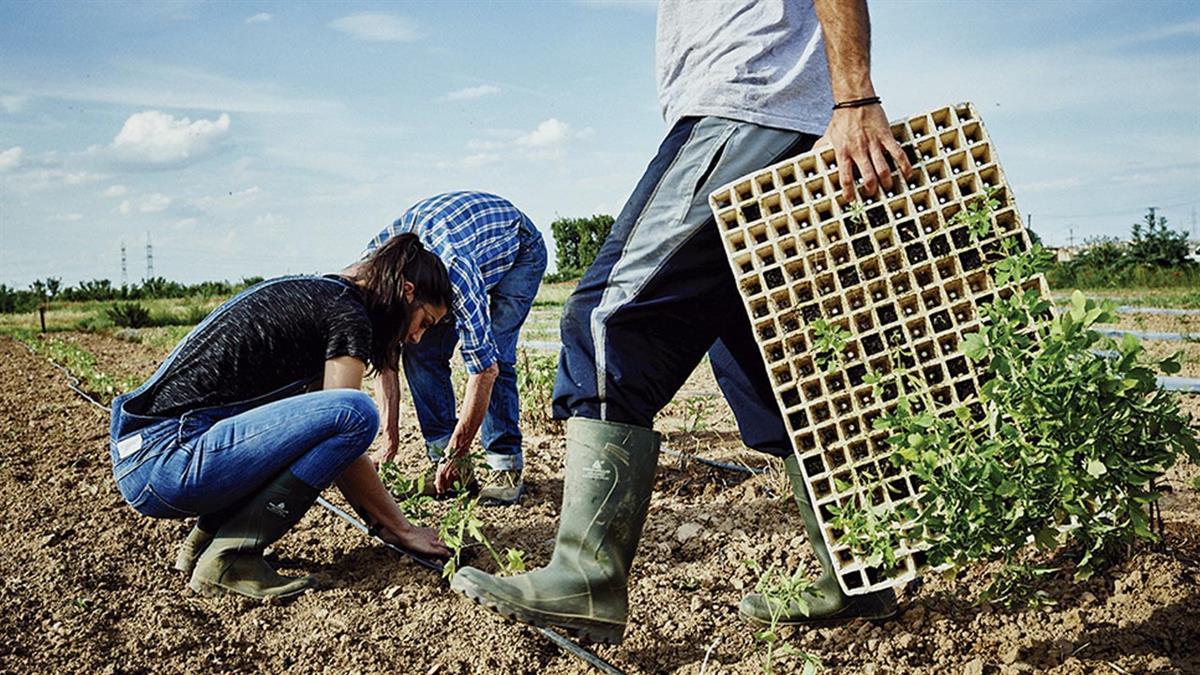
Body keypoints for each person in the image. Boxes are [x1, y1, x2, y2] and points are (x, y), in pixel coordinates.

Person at [451, 0, 911, 643]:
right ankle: (859, 577)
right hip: (764, 113)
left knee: (607, 319)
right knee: (774, 364)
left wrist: (855, 98)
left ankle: (586, 575)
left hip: (751, 104)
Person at [109, 234, 453, 600]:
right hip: (168, 459)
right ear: (407, 291)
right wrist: (398, 527)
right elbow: (345, 428)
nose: (416, 338)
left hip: (147, 455)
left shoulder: (323, 296)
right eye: (424, 322)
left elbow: (313, 432)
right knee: (356, 413)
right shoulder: (348, 314)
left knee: (307, 425)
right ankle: (232, 557)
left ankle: (204, 543)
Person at [355, 191, 547, 506]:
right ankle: (451, 469)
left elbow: (485, 369)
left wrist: (459, 448)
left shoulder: (458, 273)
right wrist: (389, 440)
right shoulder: (377, 271)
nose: (417, 334)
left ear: (409, 291)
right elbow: (386, 359)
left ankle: (504, 464)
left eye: (428, 322)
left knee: (496, 351)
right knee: (418, 352)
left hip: (519, 249)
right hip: (458, 248)